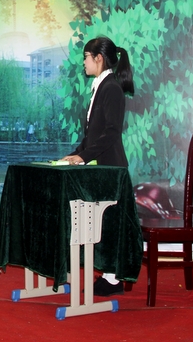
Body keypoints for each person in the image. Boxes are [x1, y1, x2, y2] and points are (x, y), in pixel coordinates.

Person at [61, 35, 135, 296]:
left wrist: (83, 157)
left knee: (110, 222)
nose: (83, 62)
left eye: (86, 57)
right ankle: (108, 275)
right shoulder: (101, 86)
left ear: (99, 58)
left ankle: (113, 278)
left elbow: (112, 133)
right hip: (103, 166)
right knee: (101, 223)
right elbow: (92, 136)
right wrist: (74, 154)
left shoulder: (111, 88)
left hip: (111, 168)